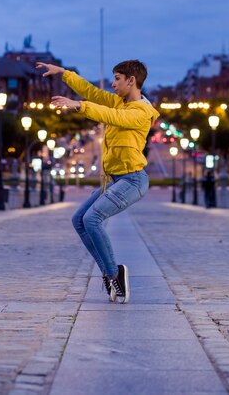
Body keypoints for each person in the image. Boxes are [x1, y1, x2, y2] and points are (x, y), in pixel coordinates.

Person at [36, 59, 159, 303]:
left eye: (117, 79)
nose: (113, 85)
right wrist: (64, 73)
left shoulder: (141, 112)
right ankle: (110, 272)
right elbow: (92, 93)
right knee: (79, 220)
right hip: (114, 180)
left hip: (133, 180)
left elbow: (108, 115)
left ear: (131, 81)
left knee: (93, 218)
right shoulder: (120, 101)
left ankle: (114, 274)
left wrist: (78, 107)